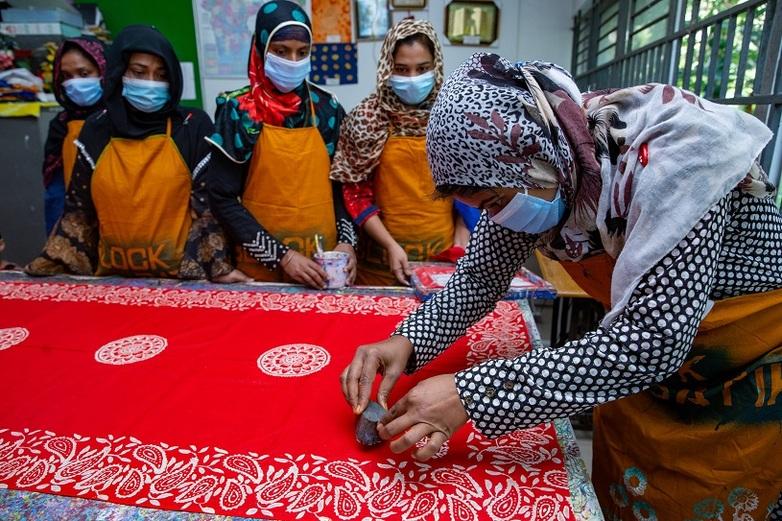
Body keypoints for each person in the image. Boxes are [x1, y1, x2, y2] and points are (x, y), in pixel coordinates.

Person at [340, 53, 782, 519]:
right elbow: (477, 278)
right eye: (482, 207)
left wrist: (470, 395)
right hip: (639, 372)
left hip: (741, 371)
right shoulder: (541, 166)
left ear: (538, 160)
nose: (495, 219)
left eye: (494, 201)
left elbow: (651, 342)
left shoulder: (679, 158)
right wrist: (408, 341)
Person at [27, 25, 239, 282]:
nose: (150, 83)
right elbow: (79, 211)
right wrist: (57, 267)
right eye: (139, 72)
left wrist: (218, 266)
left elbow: (207, 208)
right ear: (119, 72)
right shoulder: (96, 128)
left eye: (161, 75)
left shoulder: (191, 125)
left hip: (180, 279)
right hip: (112, 277)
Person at [207, 0, 357, 289]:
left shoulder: (326, 109)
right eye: (281, 51)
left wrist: (347, 241)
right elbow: (221, 197)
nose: (293, 61)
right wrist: (281, 256)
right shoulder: (238, 111)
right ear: (261, 49)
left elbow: (343, 186)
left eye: (302, 52)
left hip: (323, 267)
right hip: (260, 270)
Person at [330, 18, 469, 286]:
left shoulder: (453, 118)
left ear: (436, 65)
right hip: (379, 266)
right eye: (402, 69)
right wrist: (390, 245)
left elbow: (470, 186)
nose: (413, 79)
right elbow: (355, 194)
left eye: (422, 69)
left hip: (441, 264)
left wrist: (463, 230)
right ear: (387, 67)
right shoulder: (366, 119)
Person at [42, 36, 106, 235]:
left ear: (104, 71)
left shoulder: (125, 121)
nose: (75, 83)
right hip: (77, 226)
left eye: (84, 73)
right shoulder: (61, 126)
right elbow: (56, 194)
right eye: (66, 76)